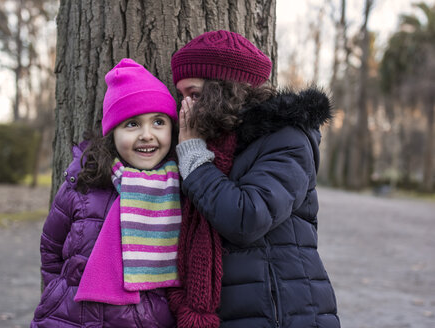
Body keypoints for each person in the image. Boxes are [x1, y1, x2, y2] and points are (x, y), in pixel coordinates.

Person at [167, 30, 341, 328]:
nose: (186, 108)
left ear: (223, 89)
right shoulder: (206, 143)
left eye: (194, 95)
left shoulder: (286, 138)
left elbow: (247, 217)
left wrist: (194, 159)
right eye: (181, 96)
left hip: (282, 313)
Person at [31, 58, 181, 328]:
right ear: (112, 133)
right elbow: (51, 248)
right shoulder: (83, 185)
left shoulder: (177, 190)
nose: (147, 135)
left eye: (158, 122)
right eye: (132, 124)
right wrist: (55, 294)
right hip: (69, 316)